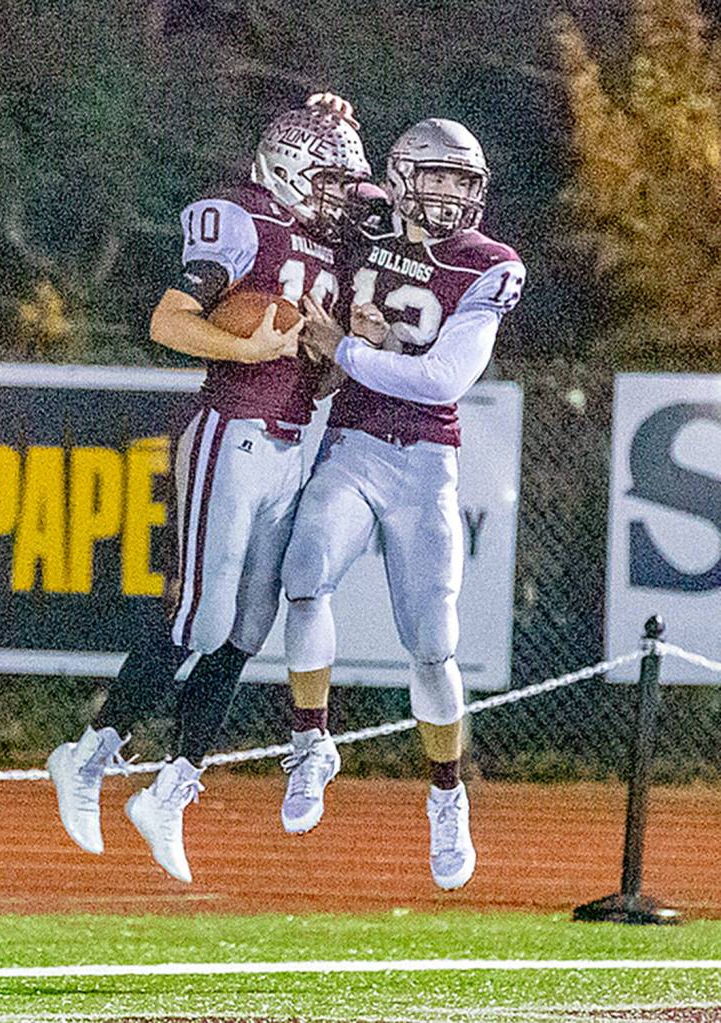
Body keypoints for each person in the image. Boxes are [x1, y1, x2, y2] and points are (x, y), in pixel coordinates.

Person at [47, 103, 372, 883]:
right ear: (288, 168)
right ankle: (89, 753)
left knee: (250, 627)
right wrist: (243, 345)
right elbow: (168, 320)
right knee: (200, 615)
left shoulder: (328, 245)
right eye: (326, 179)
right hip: (232, 427)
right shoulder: (240, 218)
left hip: (294, 443)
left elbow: (320, 357)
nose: (337, 197)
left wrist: (331, 357)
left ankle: (172, 787)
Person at [278, 116, 525, 891]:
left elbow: (443, 380)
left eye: (463, 179)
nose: (450, 192)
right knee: (306, 568)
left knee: (432, 644)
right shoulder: (367, 227)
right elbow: (309, 174)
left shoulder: (490, 265)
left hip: (425, 464)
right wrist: (327, 116)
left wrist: (348, 349)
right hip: (353, 444)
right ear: (403, 175)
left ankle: (447, 795)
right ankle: (312, 739)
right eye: (437, 175)